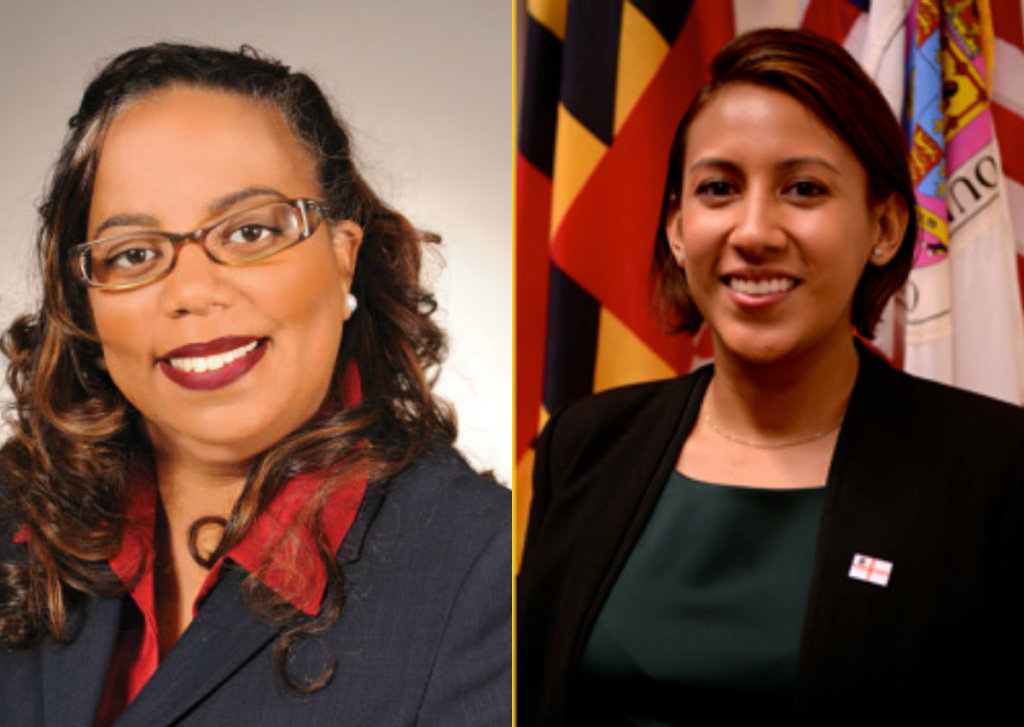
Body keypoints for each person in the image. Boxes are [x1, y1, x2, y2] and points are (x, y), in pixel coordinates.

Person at [517, 28, 1024, 724]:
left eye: (804, 188)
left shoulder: (994, 469)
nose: (754, 230)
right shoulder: (586, 444)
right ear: (676, 226)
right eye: (719, 187)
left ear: (885, 224)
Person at [0, 43, 510, 726]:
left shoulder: (489, 568)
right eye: (134, 253)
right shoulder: (16, 524)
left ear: (342, 258)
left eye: (249, 231)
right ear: (85, 302)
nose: (192, 291)